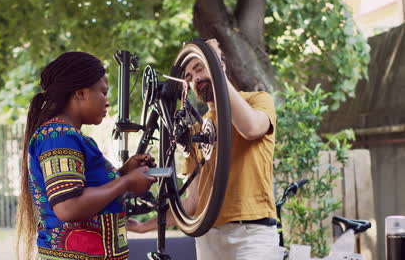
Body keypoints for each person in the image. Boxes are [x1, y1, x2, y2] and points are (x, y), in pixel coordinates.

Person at [127, 39, 279, 259]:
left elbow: (252, 129)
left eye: (200, 68)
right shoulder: (195, 130)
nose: (195, 78)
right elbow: (192, 202)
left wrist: (212, 59)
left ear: (221, 65)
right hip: (208, 237)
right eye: (188, 77)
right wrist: (143, 227)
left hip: (252, 234)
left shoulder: (257, 100)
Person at [16, 51, 157, 260]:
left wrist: (123, 173)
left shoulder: (69, 136)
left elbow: (85, 190)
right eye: (103, 92)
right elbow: (69, 207)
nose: (107, 102)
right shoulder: (58, 136)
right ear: (80, 93)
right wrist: (126, 182)